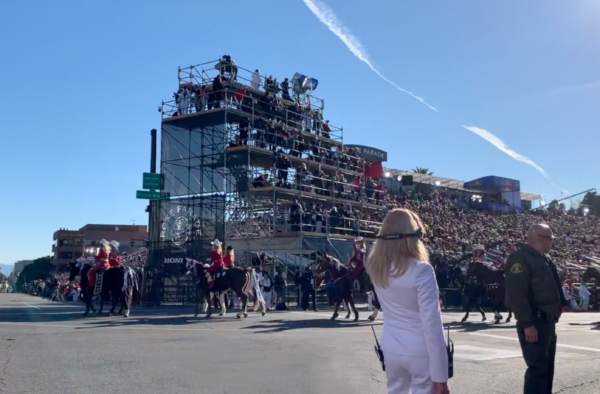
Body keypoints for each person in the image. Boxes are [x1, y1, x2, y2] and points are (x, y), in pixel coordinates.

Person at [366, 208, 449, 394]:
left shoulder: (374, 267)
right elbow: (432, 324)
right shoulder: (422, 270)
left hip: (390, 346)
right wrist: (441, 377)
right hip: (420, 350)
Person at [505, 223, 566, 394]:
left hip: (547, 321)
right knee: (538, 370)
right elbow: (516, 294)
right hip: (534, 322)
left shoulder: (543, 259)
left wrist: (561, 304)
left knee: (546, 369)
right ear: (540, 239)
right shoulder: (519, 258)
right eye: (550, 238)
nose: (552, 242)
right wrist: (527, 324)